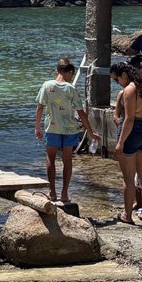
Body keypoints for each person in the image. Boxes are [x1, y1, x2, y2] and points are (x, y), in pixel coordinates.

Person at [34, 58, 98, 203]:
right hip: (70, 130)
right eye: (72, 75)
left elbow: (40, 107)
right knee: (67, 161)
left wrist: (37, 127)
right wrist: (90, 132)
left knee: (50, 158)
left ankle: (52, 192)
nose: (71, 77)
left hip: (52, 127)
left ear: (57, 71)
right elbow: (81, 113)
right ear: (69, 72)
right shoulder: (71, 89)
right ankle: (64, 194)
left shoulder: (47, 85)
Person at [111, 62, 142, 226]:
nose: (117, 83)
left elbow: (129, 118)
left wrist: (120, 142)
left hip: (132, 131)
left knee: (129, 177)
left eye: (116, 79)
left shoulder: (130, 90)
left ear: (124, 75)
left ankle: (127, 215)